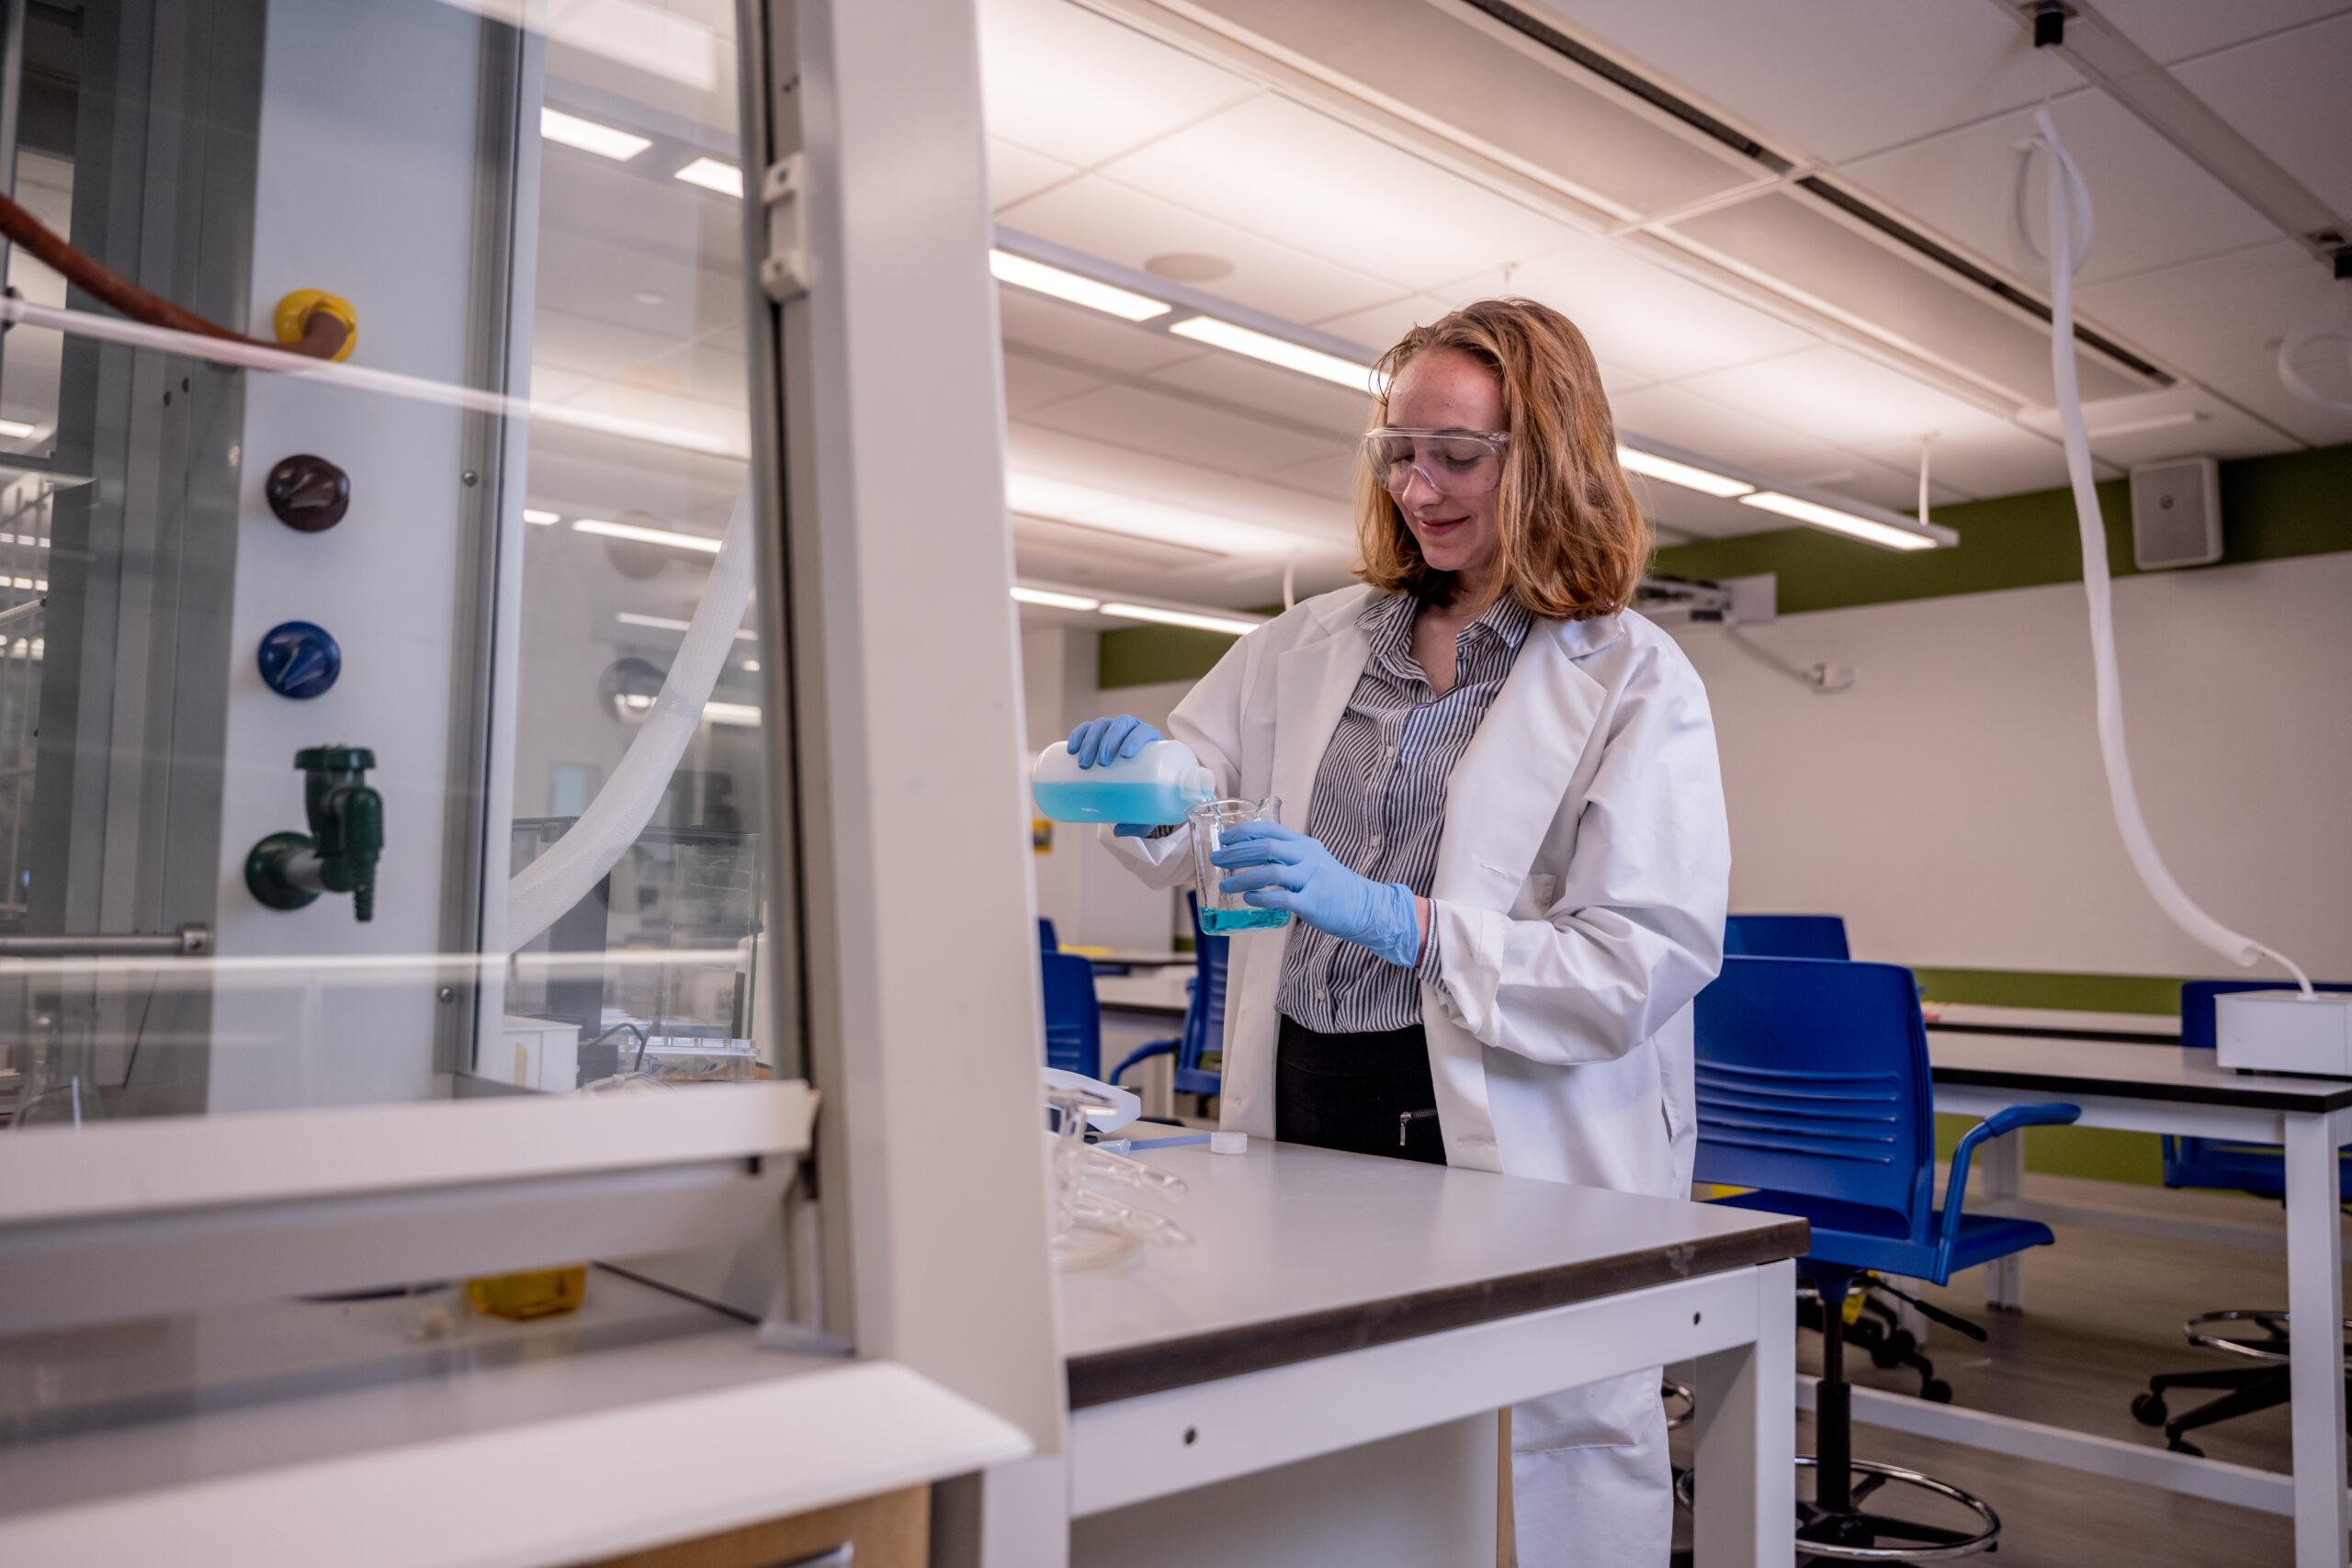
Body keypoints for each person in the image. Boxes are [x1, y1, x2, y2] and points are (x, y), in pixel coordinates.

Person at [1069, 297, 1730, 1564]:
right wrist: (1142, 781)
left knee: (1520, 1460)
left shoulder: (1631, 676)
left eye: (1459, 456)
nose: (1419, 488)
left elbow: (1638, 962)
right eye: (1399, 454)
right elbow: (1199, 812)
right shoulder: (1304, 645)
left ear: (1548, 459)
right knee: (1325, 1454)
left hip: (1501, 1119)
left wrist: (1400, 920)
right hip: (1306, 1092)